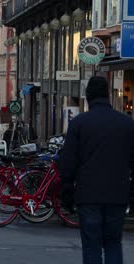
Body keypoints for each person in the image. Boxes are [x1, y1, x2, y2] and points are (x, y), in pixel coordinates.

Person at [59, 76, 134, 264]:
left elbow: (68, 161)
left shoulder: (79, 123)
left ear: (89, 96)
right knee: (113, 243)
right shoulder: (126, 123)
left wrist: (67, 190)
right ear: (107, 94)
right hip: (117, 194)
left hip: (88, 195)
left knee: (91, 245)